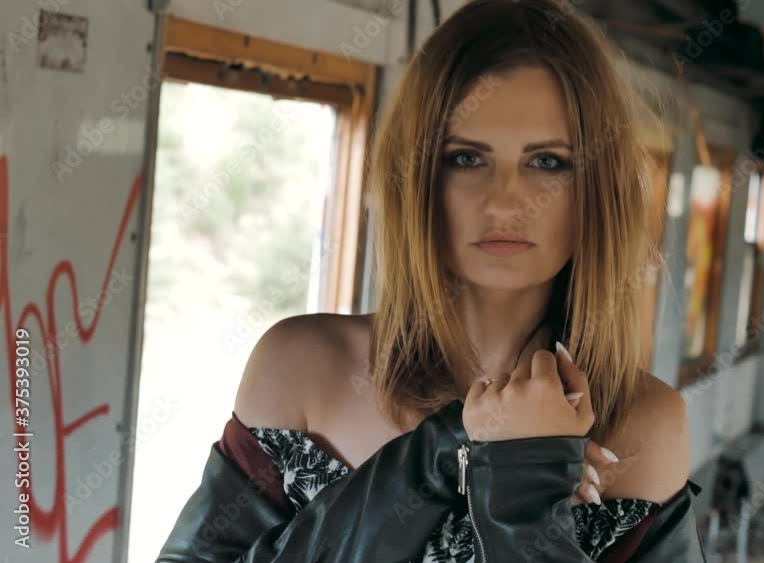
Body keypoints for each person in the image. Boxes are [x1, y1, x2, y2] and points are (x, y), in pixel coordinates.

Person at [157, 0, 705, 561]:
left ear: (597, 189)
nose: (505, 201)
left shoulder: (645, 424)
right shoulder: (301, 366)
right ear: (417, 178)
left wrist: (522, 490)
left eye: (548, 162)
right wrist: (445, 452)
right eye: (467, 158)